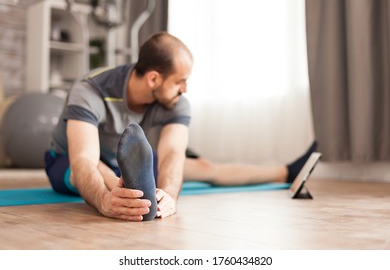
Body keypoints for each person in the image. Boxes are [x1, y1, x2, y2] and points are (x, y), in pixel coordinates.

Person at [44, 32, 317, 222]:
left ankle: (286, 173)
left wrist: (169, 196)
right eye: (180, 81)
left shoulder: (176, 102)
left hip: (119, 160)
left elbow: (173, 153)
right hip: (67, 160)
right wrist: (105, 202)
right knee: (97, 168)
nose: (185, 88)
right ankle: (125, 186)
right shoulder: (90, 90)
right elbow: (83, 161)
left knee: (203, 167)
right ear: (154, 79)